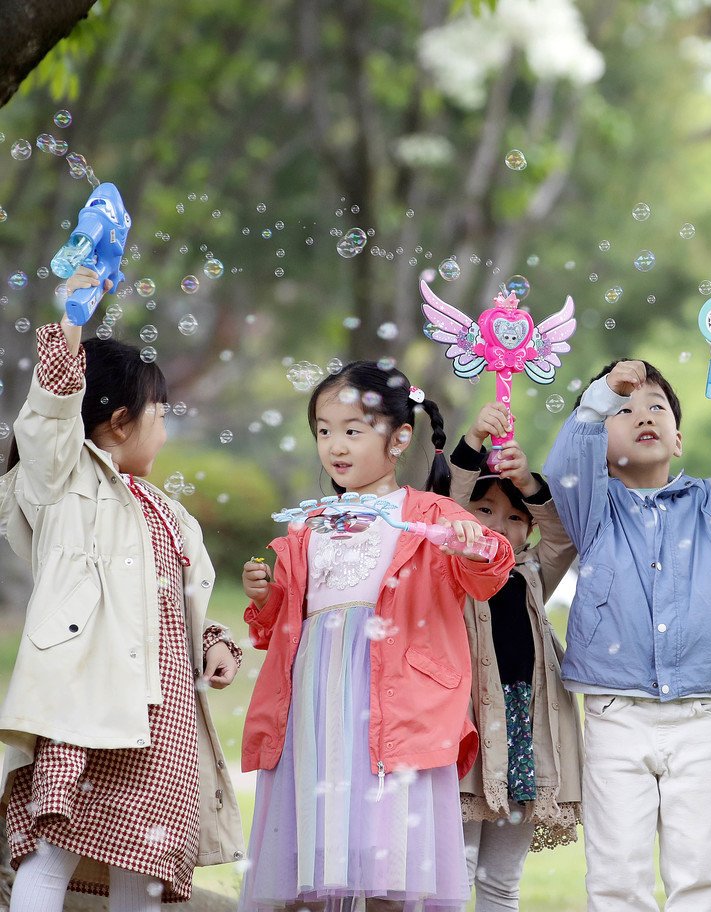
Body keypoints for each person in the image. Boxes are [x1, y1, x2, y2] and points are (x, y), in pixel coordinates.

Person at [0, 267, 243, 911]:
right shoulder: (62, 483)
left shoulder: (168, 512)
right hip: (85, 701)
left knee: (144, 863)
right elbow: (50, 413)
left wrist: (214, 642)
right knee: (52, 846)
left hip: (159, 715)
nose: (165, 431)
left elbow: (176, 603)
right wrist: (72, 319)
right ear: (117, 421)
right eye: (160, 416)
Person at [237, 361, 513, 912]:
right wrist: (267, 600)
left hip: (395, 704)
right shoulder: (308, 524)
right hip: (316, 706)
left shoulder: (431, 514)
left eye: (352, 430)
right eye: (323, 430)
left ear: (399, 437)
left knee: (390, 862)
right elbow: (286, 626)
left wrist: (470, 545)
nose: (335, 446)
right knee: (312, 857)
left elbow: (491, 570)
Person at [545, 352, 711, 912]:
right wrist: (601, 393)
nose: (642, 414)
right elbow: (565, 461)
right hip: (616, 713)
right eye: (624, 409)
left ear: (678, 440)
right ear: (601, 446)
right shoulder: (593, 509)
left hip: (698, 714)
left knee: (699, 871)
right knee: (616, 873)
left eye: (656, 406)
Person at [447, 401, 583, 911]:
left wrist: (528, 483)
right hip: (467, 729)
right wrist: (476, 437)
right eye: (485, 512)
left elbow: (563, 535)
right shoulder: (450, 568)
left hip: (523, 730)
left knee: (502, 880)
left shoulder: (531, 575)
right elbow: (449, 504)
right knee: (455, 871)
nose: (499, 526)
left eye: (514, 518)